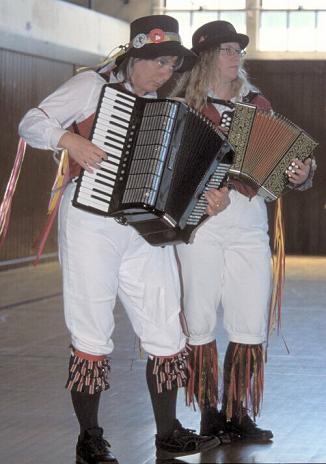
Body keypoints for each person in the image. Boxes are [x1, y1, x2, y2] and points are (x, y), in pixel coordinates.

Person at [18, 15, 221, 464]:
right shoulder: (91, 86)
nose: (164, 73)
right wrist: (68, 138)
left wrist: (204, 199)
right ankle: (89, 437)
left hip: (144, 228)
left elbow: (178, 175)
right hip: (90, 221)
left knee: (166, 326)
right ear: (134, 54)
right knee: (91, 325)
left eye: (171, 66)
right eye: (158, 62)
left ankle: (167, 432)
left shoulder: (164, 110)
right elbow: (30, 123)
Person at [171, 20, 315, 443]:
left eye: (239, 49)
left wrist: (302, 171)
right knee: (198, 317)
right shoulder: (182, 104)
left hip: (249, 221)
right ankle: (209, 414)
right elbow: (172, 169)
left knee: (250, 318)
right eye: (227, 49)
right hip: (200, 223)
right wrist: (207, 190)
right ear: (206, 57)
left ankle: (240, 413)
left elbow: (283, 170)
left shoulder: (257, 103)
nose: (236, 56)